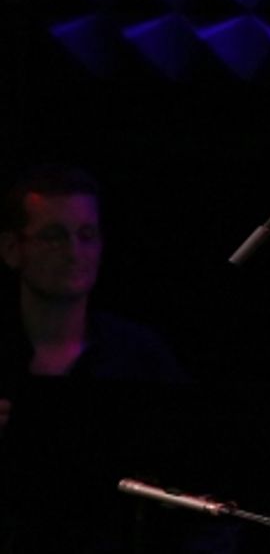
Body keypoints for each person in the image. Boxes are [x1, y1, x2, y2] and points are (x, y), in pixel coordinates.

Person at [0, 165, 191, 553]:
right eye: (54, 237)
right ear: (11, 249)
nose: (73, 252)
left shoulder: (140, 354)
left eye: (86, 236)